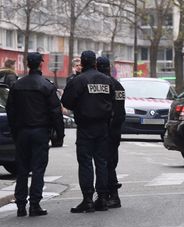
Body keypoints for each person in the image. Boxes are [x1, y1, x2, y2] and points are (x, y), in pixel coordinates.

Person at [6, 52, 64, 217]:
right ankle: (35, 204)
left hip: (22, 132)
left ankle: (20, 205)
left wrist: (14, 130)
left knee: (22, 169)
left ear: (27, 65)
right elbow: (55, 112)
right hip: (40, 132)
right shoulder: (46, 86)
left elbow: (11, 110)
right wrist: (59, 134)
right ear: (41, 64)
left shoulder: (17, 86)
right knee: (38, 169)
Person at [62, 50, 115, 213]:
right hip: (103, 126)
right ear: (95, 63)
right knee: (101, 162)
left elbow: (67, 102)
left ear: (83, 63)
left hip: (85, 126)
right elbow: (113, 101)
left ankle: (87, 200)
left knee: (85, 162)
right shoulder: (107, 80)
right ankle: (103, 199)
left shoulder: (78, 80)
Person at [96, 56, 125, 208]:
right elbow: (121, 111)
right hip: (115, 130)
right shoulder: (118, 85)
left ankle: (111, 195)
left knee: (104, 163)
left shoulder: (101, 85)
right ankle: (110, 194)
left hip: (104, 129)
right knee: (111, 162)